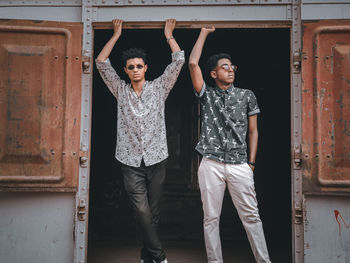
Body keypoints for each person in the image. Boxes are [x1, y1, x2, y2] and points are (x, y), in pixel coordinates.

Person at [95, 18, 185, 263]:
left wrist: (169, 35)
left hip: (157, 159)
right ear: (125, 70)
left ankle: (146, 258)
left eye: (138, 66)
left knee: (152, 215)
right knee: (142, 210)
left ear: (146, 67)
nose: (135, 69)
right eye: (130, 67)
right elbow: (101, 62)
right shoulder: (120, 90)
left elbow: (178, 62)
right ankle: (160, 256)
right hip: (129, 160)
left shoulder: (159, 88)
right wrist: (115, 35)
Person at [188, 26, 271, 263]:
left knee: (252, 217)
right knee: (211, 219)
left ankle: (264, 261)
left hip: (240, 164)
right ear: (213, 74)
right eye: (225, 67)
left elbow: (254, 131)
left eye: (232, 67)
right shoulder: (207, 95)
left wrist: (251, 163)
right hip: (211, 163)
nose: (231, 70)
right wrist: (203, 33)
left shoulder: (247, 95)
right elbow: (193, 64)